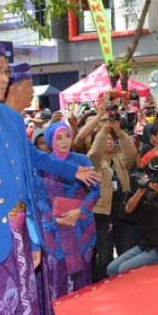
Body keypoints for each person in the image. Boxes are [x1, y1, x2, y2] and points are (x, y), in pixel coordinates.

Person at [0, 38, 97, 315]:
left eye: (6, 71)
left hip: (19, 241)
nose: (5, 79)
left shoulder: (12, 119)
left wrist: (34, 238)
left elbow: (27, 174)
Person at [107, 121, 158, 276]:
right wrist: (141, 190)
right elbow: (128, 209)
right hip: (145, 243)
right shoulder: (143, 183)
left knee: (122, 270)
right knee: (111, 269)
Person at [36, 123, 100, 298]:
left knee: (83, 272)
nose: (64, 141)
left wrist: (80, 211)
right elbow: (38, 197)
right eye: (58, 137)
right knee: (58, 275)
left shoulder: (82, 161)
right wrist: (53, 218)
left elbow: (95, 190)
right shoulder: (43, 164)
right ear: (50, 141)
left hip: (81, 225)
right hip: (54, 228)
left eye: (67, 136)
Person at [88, 114, 139, 282]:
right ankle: (103, 283)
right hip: (102, 212)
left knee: (126, 249)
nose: (109, 142)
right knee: (104, 253)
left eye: (112, 139)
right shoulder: (94, 161)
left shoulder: (120, 158)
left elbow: (132, 154)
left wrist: (120, 131)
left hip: (122, 211)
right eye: (105, 139)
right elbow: (95, 151)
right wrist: (104, 129)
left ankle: (125, 282)